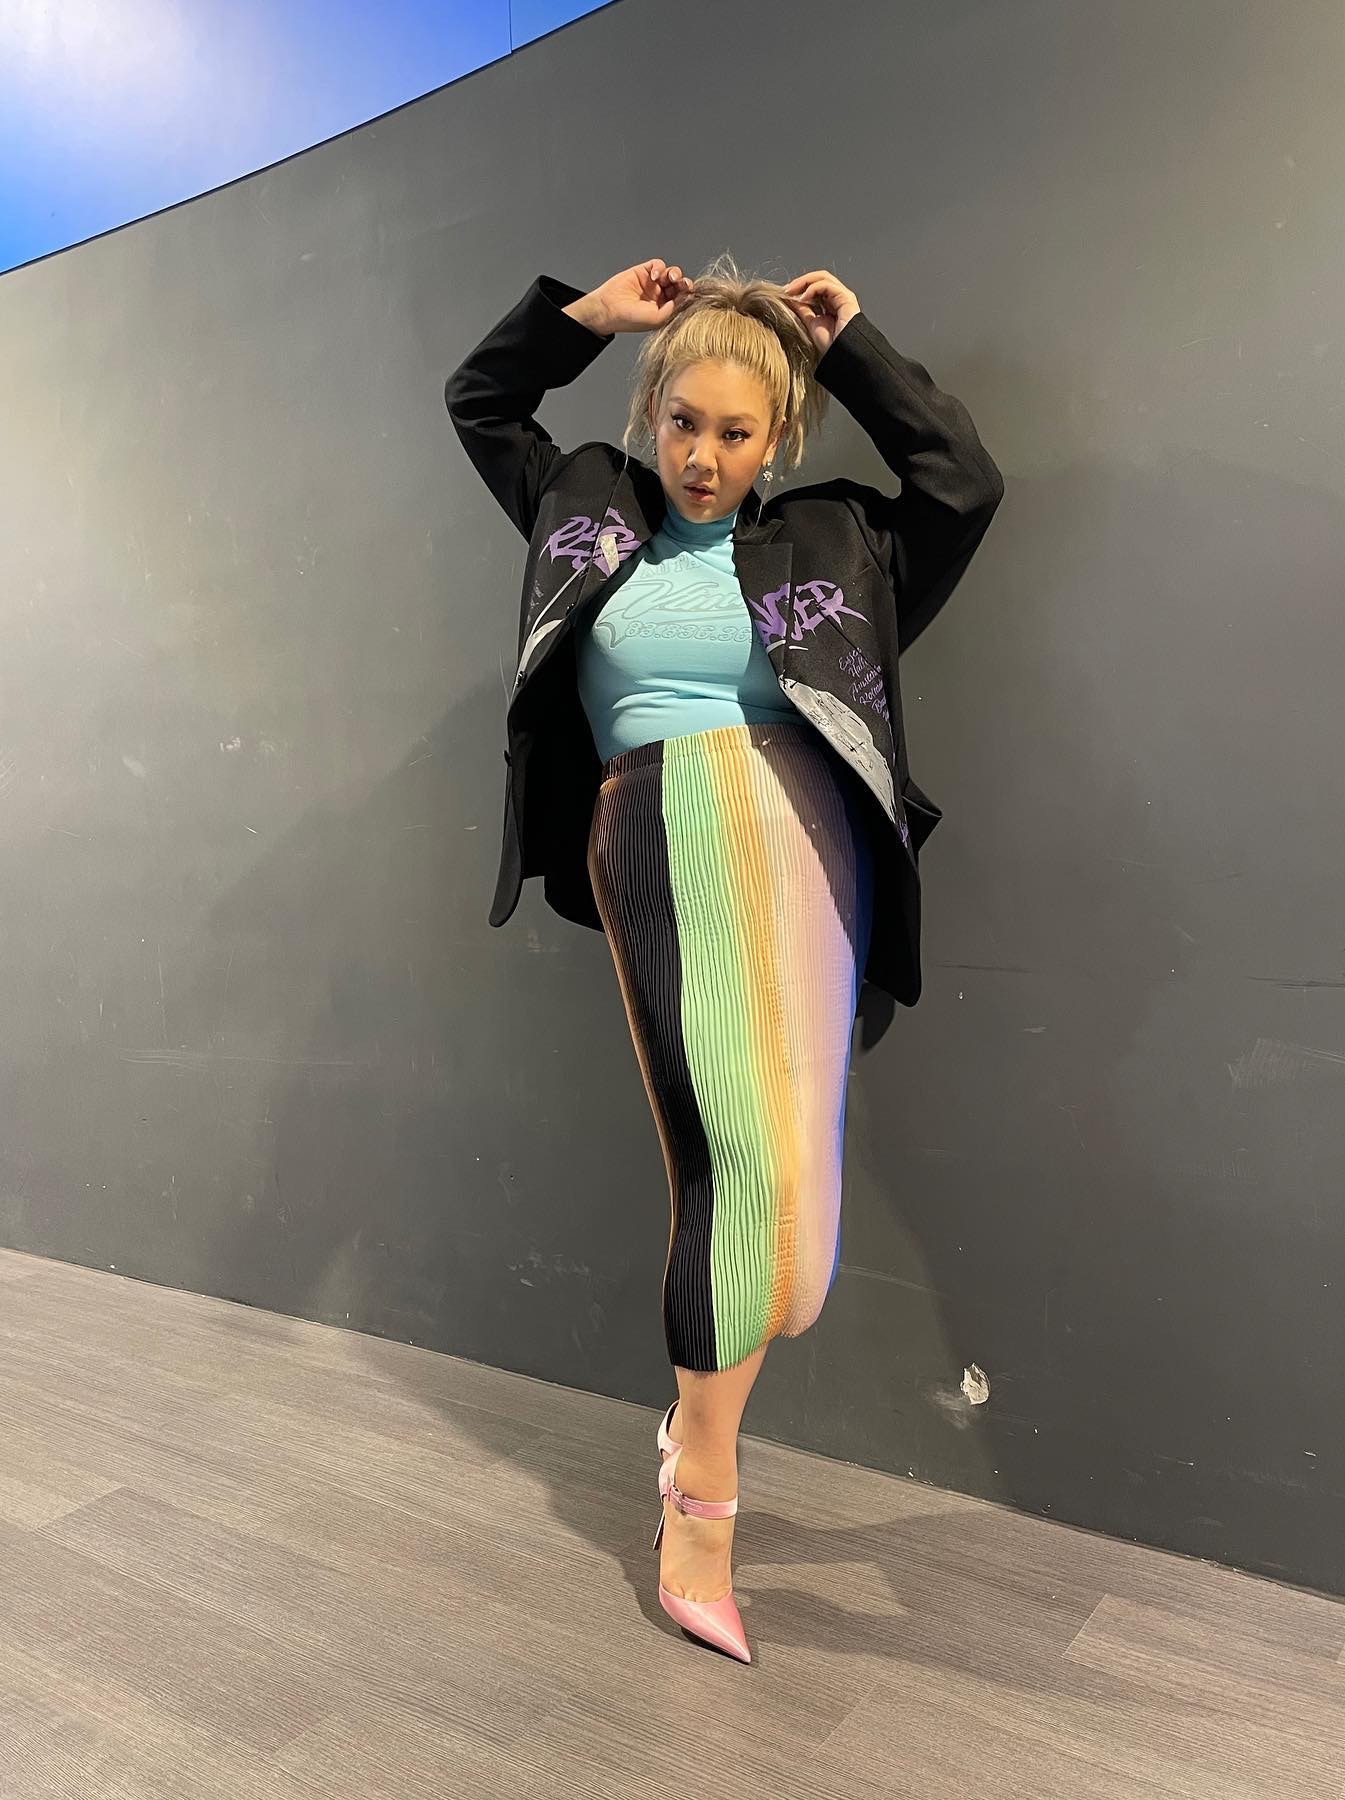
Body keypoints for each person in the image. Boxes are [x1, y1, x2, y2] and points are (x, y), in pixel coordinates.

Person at [445, 255, 1003, 1664]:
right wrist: (589, 317)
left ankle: (692, 1436)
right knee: (737, 1171)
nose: (702, 456)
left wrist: (853, 343)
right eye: (682, 421)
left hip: (806, 839)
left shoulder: (838, 540)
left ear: (781, 436)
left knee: (799, 1233)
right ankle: (703, 1491)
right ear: (651, 414)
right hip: (659, 830)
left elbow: (962, 483)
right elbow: (480, 400)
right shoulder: (585, 502)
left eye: (737, 431)